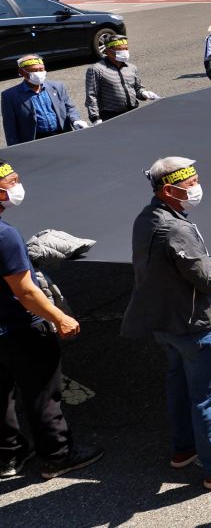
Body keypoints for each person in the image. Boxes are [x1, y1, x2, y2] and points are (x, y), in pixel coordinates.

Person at [120, 157, 211, 489]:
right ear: (169, 190)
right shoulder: (178, 229)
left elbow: (167, 269)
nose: (197, 189)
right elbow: (204, 278)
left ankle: (183, 450)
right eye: (191, 184)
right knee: (209, 397)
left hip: (164, 322)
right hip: (195, 326)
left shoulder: (146, 219)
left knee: (179, 388)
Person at [0, 159, 104, 480]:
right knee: (42, 392)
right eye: (11, 182)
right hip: (21, 328)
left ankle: (9, 456)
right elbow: (26, 291)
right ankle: (58, 456)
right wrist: (60, 317)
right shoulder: (6, 237)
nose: (17, 186)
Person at [2, 54, 89, 144]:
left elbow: (69, 107)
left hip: (63, 135)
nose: (39, 73)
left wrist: (76, 120)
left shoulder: (57, 87)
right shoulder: (10, 96)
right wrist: (15, 150)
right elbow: (10, 127)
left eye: (41, 69)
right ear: (22, 72)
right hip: (36, 142)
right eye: (34, 70)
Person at [84, 35, 159, 123]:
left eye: (126, 49)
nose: (124, 52)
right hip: (111, 117)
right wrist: (95, 118)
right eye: (120, 49)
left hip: (134, 112)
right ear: (108, 50)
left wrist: (144, 93)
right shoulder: (96, 69)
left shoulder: (132, 68)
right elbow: (91, 96)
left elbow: (137, 89)